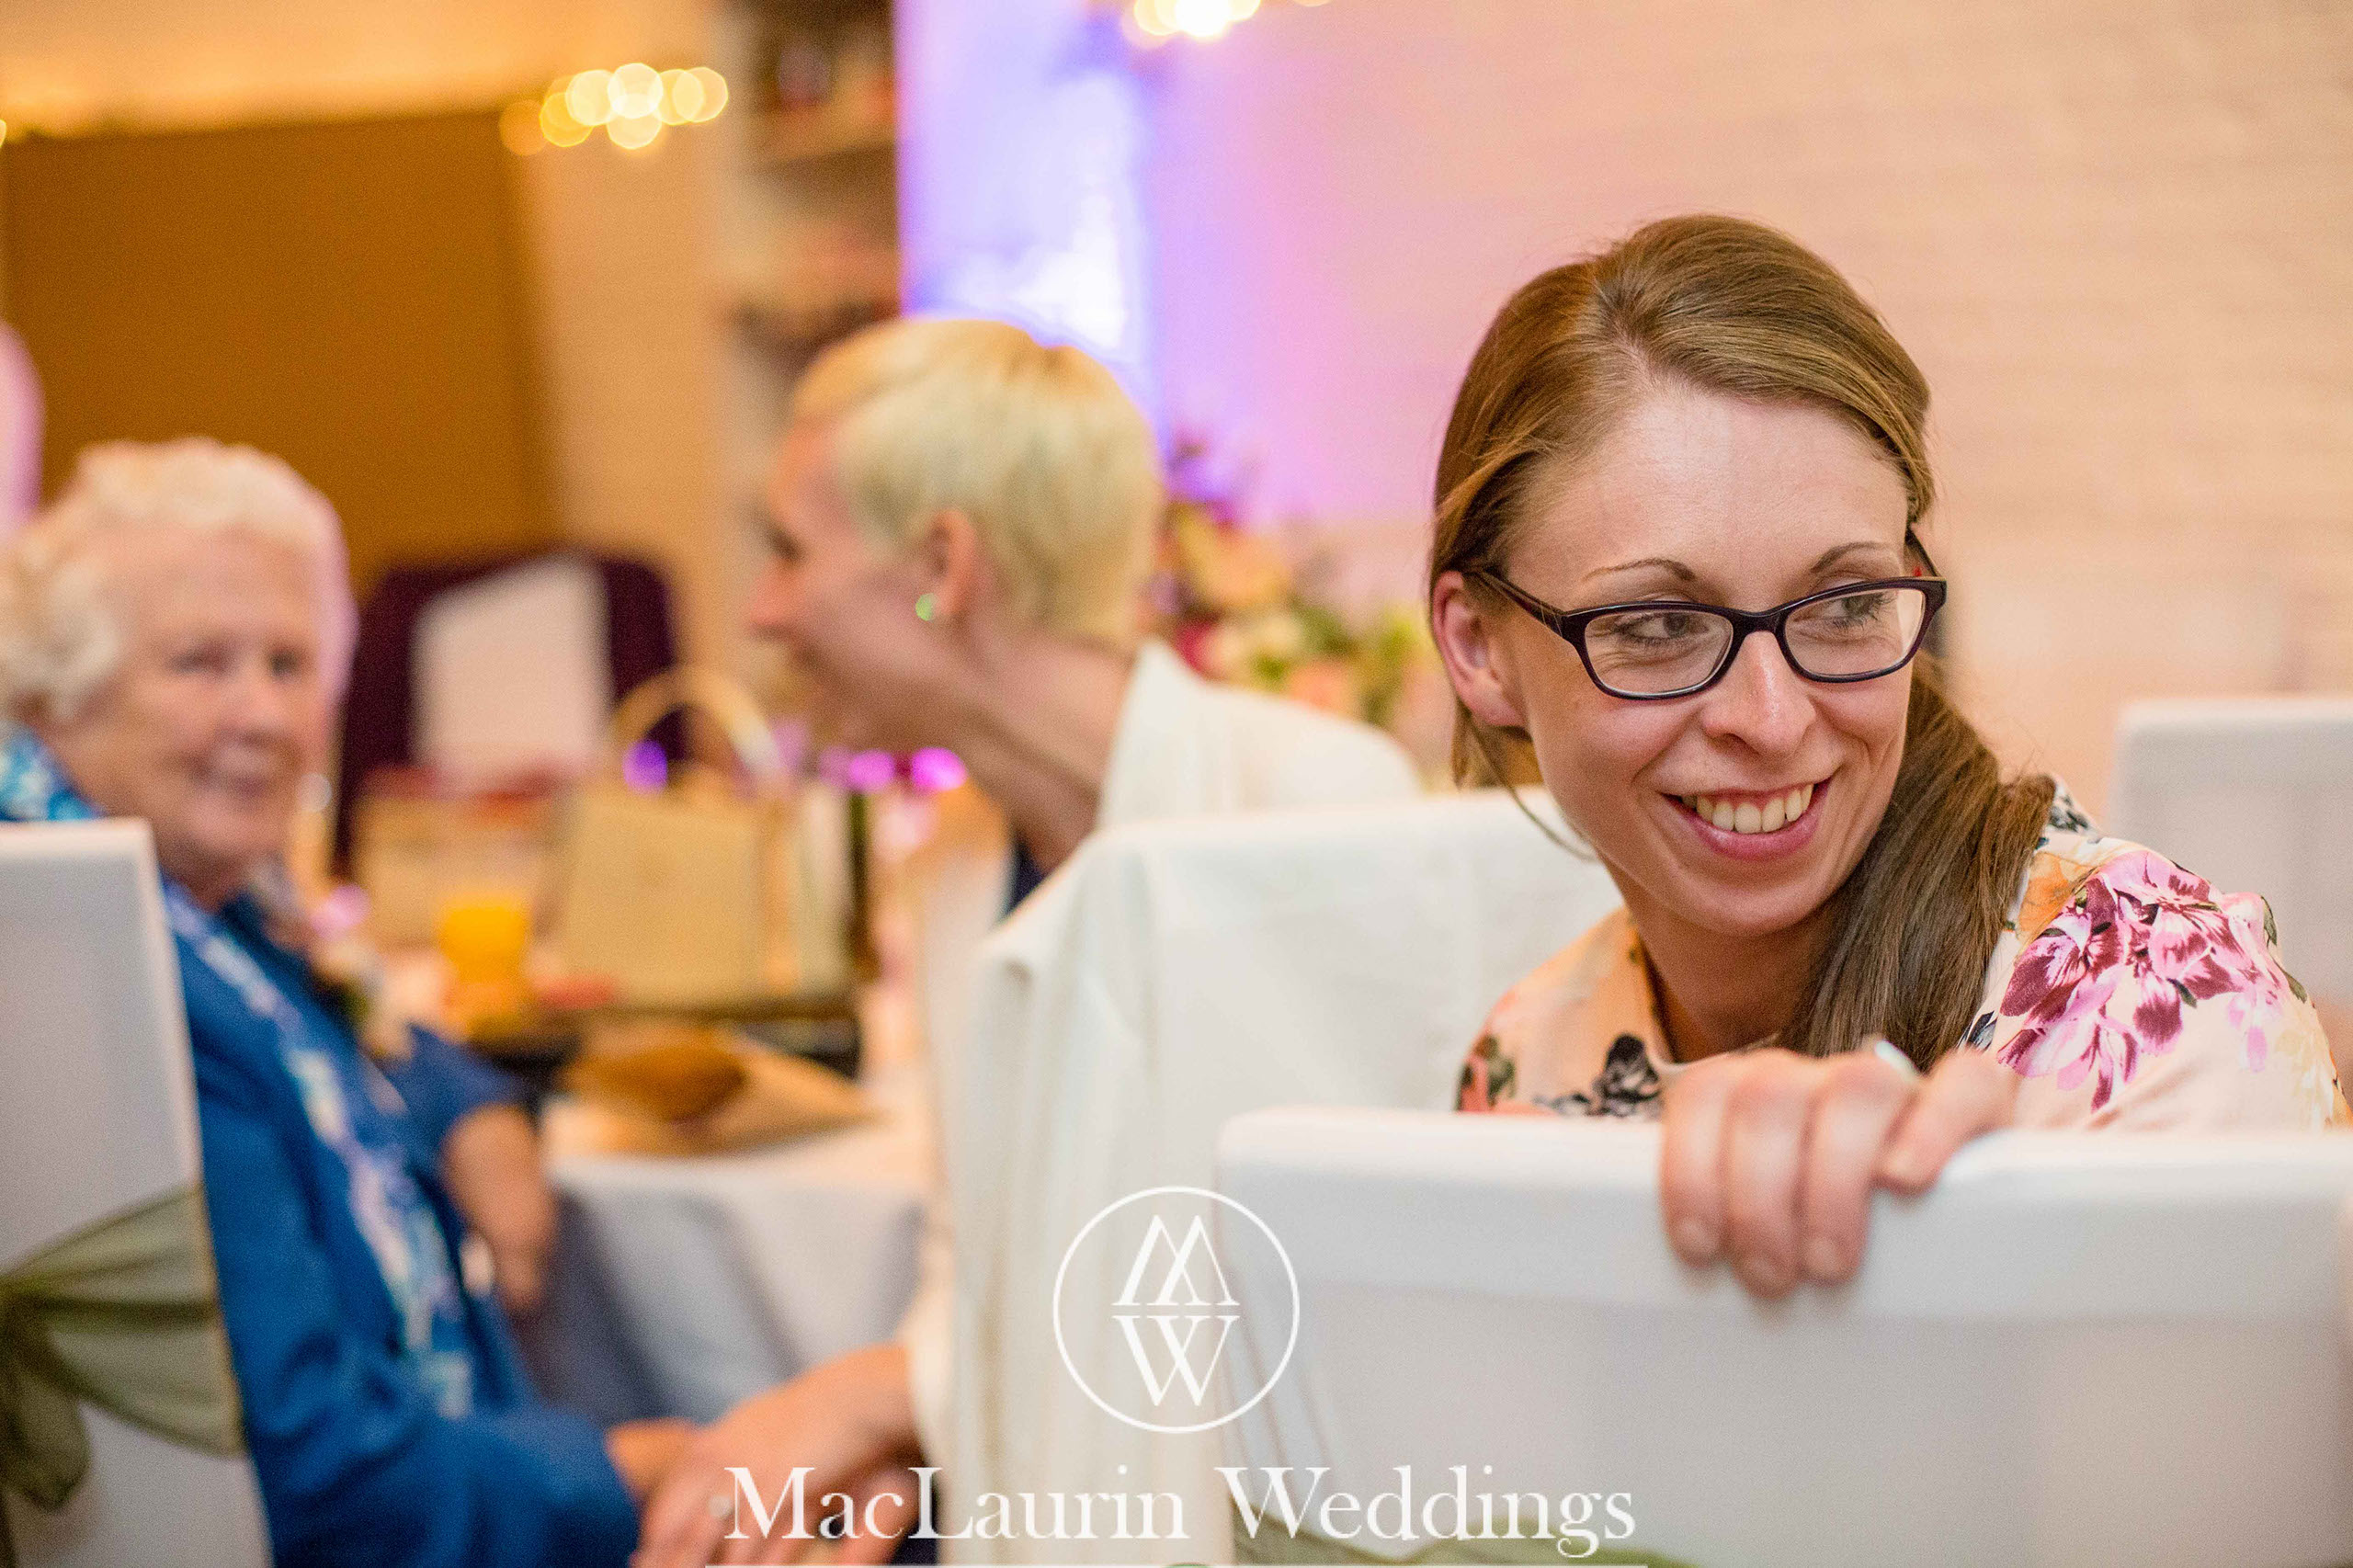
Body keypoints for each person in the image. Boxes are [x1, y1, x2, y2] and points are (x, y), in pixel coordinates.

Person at [1427, 215, 2347, 1301]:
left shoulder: (2152, 1018)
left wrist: (1983, 1256)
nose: (1770, 720)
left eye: (1848, 604)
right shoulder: (1527, 1057)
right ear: (1479, 649)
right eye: (1659, 623)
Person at [637, 317, 1420, 1567]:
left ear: (945, 561)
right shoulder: (951, 867)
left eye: (789, 550)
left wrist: (869, 1392)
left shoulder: (1316, 804)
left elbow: (1322, 1309)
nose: (762, 610)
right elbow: (985, 1254)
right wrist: (921, 1424)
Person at [0, 437, 692, 1566]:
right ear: (55, 697)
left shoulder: (196, 905)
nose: (263, 715)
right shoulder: (89, 978)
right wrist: (625, 1471)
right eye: (199, 663)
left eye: (287, 662)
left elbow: (339, 1014)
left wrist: (472, 1103)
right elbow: (320, 1480)